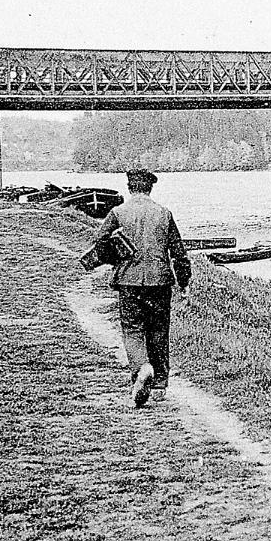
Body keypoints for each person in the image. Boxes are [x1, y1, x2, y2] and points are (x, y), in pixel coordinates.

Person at [89, 169, 191, 408]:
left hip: (129, 281)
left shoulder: (117, 213)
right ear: (150, 188)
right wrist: (184, 283)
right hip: (160, 282)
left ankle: (142, 368)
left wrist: (116, 258)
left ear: (129, 187)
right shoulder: (164, 213)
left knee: (133, 329)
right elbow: (179, 254)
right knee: (158, 330)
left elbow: (100, 245)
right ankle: (159, 385)